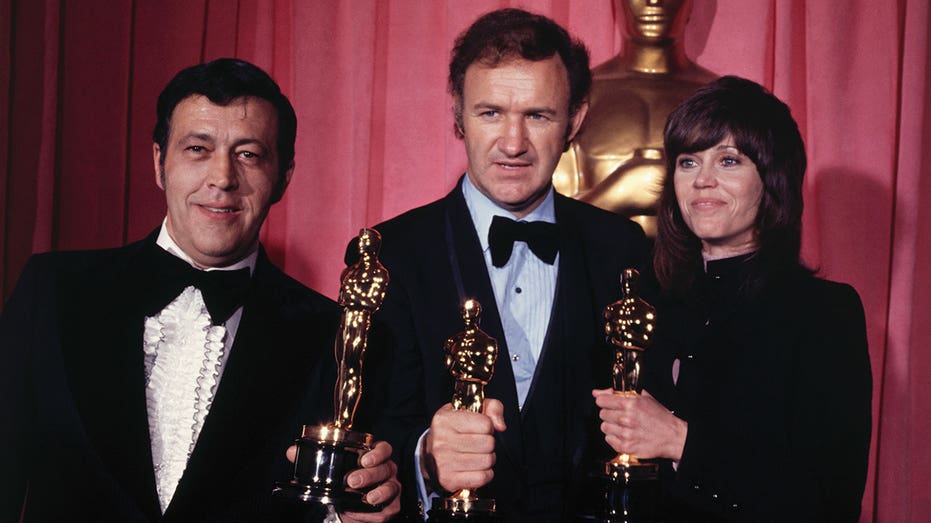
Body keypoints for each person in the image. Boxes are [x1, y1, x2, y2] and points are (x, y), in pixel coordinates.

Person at [0, 58, 400, 522]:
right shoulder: (51, 293)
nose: (222, 178)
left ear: (284, 177)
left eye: (248, 154)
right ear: (159, 163)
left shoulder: (340, 343)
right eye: (197, 148)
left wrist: (366, 507)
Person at [367, 9, 649, 521]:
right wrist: (427, 457)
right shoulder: (390, 253)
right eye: (491, 113)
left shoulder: (621, 247)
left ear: (575, 120)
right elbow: (368, 428)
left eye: (537, 115)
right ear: (458, 115)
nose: (513, 143)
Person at [593, 76, 872, 521]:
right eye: (688, 162)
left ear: (772, 180)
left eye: (728, 161)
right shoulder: (651, 306)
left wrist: (680, 441)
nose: (702, 180)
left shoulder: (824, 314)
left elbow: (828, 500)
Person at [552, 0, 716, 237]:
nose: (653, 2)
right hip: (595, 268)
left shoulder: (726, 103)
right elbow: (547, 225)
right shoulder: (577, 94)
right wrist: (621, 191)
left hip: (698, 271)